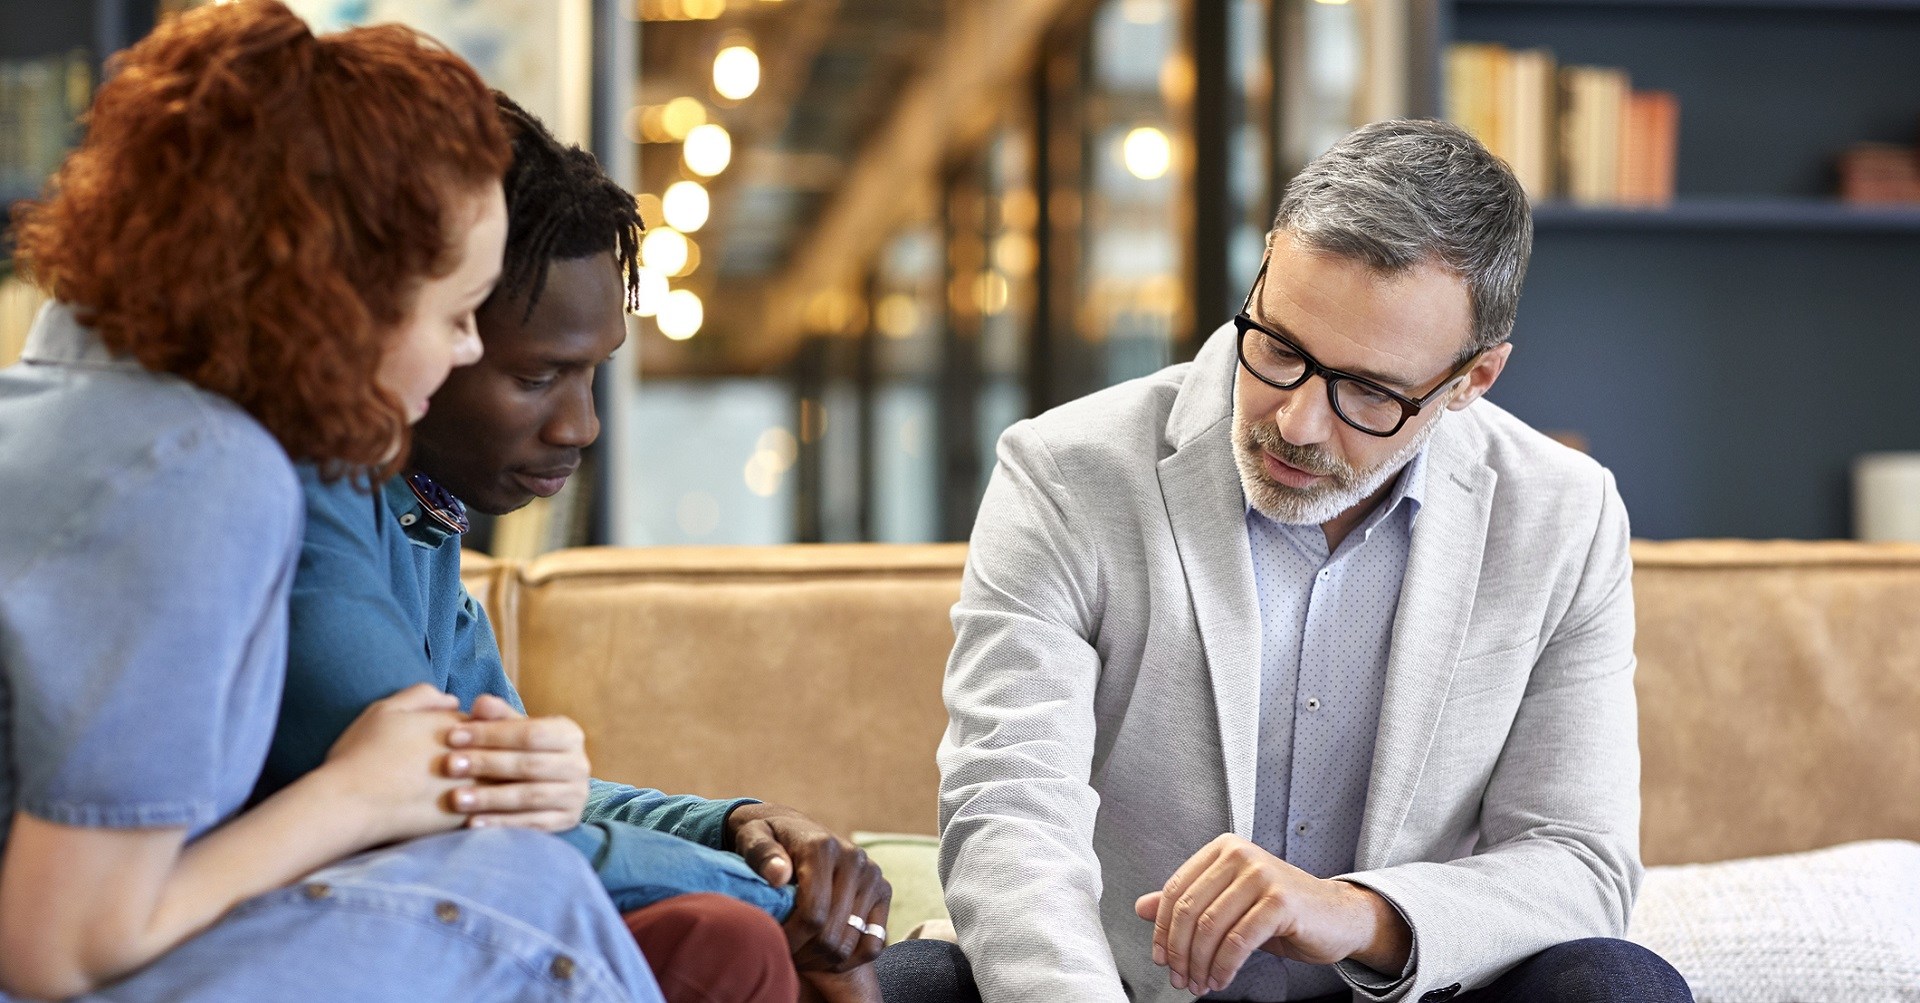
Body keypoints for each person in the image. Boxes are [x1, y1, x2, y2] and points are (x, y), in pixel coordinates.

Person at [917, 120, 1694, 1003]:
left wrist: (1352, 913)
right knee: (905, 983)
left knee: (1617, 984)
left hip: (1407, 991)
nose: (1294, 421)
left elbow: (1579, 860)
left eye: (1367, 391)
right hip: (1123, 990)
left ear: (1472, 381)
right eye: (1280, 346)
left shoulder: (1564, 515)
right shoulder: (1065, 472)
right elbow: (1011, 809)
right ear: (1263, 271)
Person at [0, 4, 661, 1000]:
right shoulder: (203, 469)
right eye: (453, 313)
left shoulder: (71, 403)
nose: (468, 351)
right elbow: (58, 945)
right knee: (528, 896)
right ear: (333, 292)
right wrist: (356, 793)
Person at [258, 92, 890, 1003]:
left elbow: (538, 799)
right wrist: (782, 898)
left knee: (758, 941)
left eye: (593, 372)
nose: (582, 424)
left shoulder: (418, 508)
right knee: (730, 939)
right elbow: (456, 813)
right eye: (536, 374)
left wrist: (737, 827)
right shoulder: (310, 501)